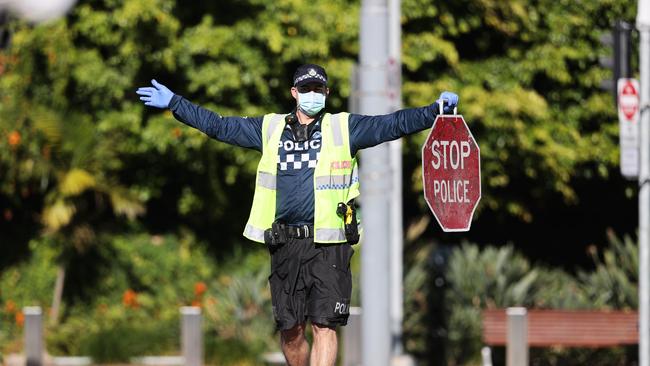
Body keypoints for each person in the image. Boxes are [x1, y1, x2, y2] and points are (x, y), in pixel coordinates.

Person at [136, 64, 458, 366]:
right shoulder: (270, 128)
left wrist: (434, 111)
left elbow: (392, 124)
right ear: (294, 92)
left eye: (319, 88)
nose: (313, 94)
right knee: (291, 332)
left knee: (324, 325)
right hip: (286, 243)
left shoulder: (344, 128)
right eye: (307, 88)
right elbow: (219, 126)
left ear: (327, 93)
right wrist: (176, 103)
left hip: (329, 245)